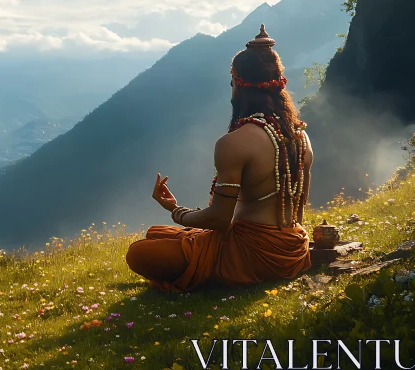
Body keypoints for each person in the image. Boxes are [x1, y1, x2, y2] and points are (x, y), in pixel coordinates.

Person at [125, 24, 314, 293]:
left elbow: (219, 220)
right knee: (157, 233)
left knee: (139, 253)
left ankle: (214, 274)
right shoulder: (301, 136)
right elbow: (300, 206)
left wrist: (175, 210)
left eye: (232, 83)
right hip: (293, 249)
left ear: (238, 82)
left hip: (250, 256)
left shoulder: (234, 143)